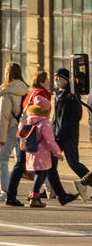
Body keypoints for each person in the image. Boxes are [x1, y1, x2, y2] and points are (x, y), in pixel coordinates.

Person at [19, 102, 72, 207]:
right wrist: (57, 153)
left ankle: (34, 195)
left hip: (31, 151)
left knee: (41, 174)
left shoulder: (28, 120)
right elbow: (50, 140)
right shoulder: (44, 122)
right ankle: (34, 197)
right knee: (41, 174)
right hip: (42, 153)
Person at [51, 67, 92, 195]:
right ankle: (49, 190)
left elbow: (77, 115)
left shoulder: (72, 95)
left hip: (69, 136)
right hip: (56, 135)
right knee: (50, 164)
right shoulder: (58, 94)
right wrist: (52, 131)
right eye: (55, 77)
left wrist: (64, 129)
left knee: (73, 163)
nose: (57, 80)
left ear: (67, 80)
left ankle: (88, 182)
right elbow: (55, 117)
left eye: (60, 78)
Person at [0, 62, 27, 203]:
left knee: (2, 160)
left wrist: (0, 137)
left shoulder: (7, 92)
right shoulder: (25, 88)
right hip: (22, 128)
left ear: (7, 73)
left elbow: (3, 116)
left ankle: (4, 191)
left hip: (9, 129)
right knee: (22, 161)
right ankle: (48, 186)